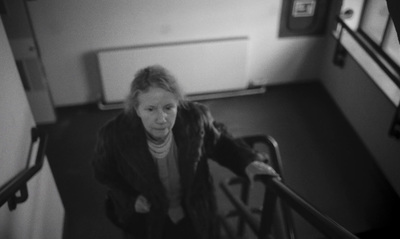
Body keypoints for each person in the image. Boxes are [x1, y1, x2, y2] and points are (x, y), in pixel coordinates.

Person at [92, 65, 279, 239]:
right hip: (148, 220)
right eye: (150, 109)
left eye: (168, 107)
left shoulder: (194, 119)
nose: (161, 118)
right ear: (136, 109)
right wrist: (131, 199)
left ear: (178, 104)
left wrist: (248, 161)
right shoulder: (113, 136)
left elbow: (220, 142)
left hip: (194, 213)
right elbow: (105, 174)